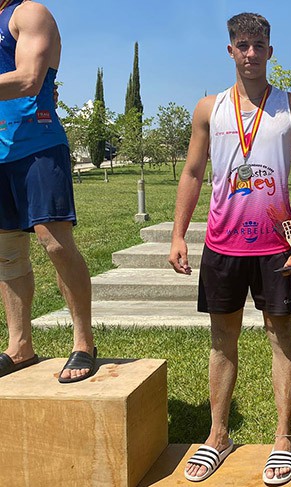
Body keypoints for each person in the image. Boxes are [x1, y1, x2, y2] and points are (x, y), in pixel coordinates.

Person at [168, 12, 291, 484]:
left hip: (278, 246)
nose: (251, 53)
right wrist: (177, 234)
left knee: (280, 337)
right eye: (242, 45)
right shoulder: (209, 108)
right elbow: (192, 172)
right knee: (222, 340)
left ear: (271, 51)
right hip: (223, 243)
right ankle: (218, 435)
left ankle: (283, 438)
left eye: (259, 45)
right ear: (230, 50)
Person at [0, 0, 97, 383]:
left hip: (37, 144)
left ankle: (84, 342)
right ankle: (19, 346)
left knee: (55, 243)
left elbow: (28, 79)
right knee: (6, 251)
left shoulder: (29, 13)